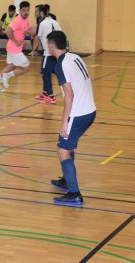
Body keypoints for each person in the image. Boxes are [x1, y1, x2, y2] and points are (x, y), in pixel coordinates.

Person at [47, 30, 96, 206]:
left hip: (79, 113)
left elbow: (69, 95)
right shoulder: (75, 57)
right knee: (68, 145)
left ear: (52, 45)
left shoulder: (60, 65)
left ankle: (75, 194)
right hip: (90, 111)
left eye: (48, 45)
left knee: (63, 150)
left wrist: (64, 123)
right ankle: (67, 180)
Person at [0, 1, 35, 92]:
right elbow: (7, 31)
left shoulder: (26, 19)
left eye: (27, 10)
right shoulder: (17, 20)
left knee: (10, 66)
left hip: (12, 48)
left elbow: (27, 29)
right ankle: (7, 76)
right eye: (24, 10)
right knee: (27, 67)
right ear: (20, 10)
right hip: (15, 49)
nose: (26, 12)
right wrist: (15, 41)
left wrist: (33, 32)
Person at [31, 5, 62, 104]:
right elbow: (61, 35)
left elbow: (37, 38)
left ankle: (51, 97)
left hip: (48, 53)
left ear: (41, 13)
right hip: (56, 53)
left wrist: (33, 50)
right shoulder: (54, 21)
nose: (35, 14)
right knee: (48, 72)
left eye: (36, 12)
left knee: (45, 74)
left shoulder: (42, 23)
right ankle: (45, 94)